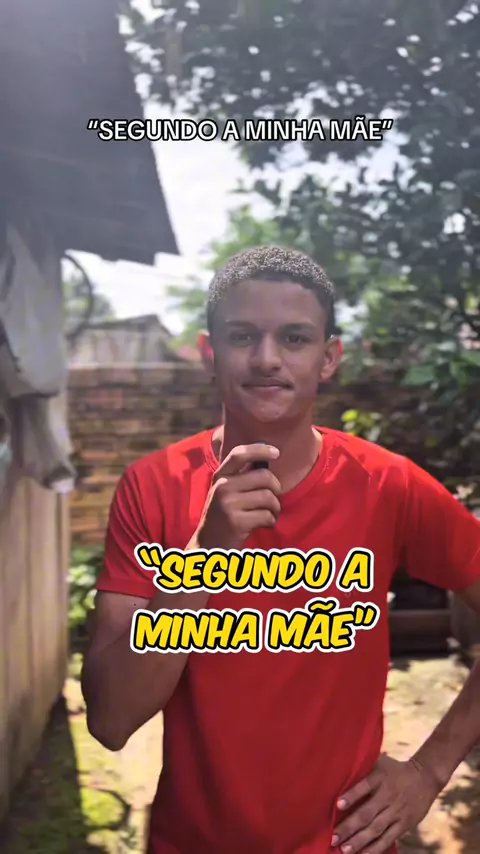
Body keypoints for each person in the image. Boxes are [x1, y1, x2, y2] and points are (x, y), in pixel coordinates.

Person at [81, 246, 480, 854]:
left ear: (328, 358)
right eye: (243, 336)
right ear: (209, 352)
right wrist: (203, 559)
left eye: (294, 338)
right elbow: (111, 721)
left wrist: (429, 770)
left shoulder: (387, 486)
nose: (267, 358)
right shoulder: (153, 487)